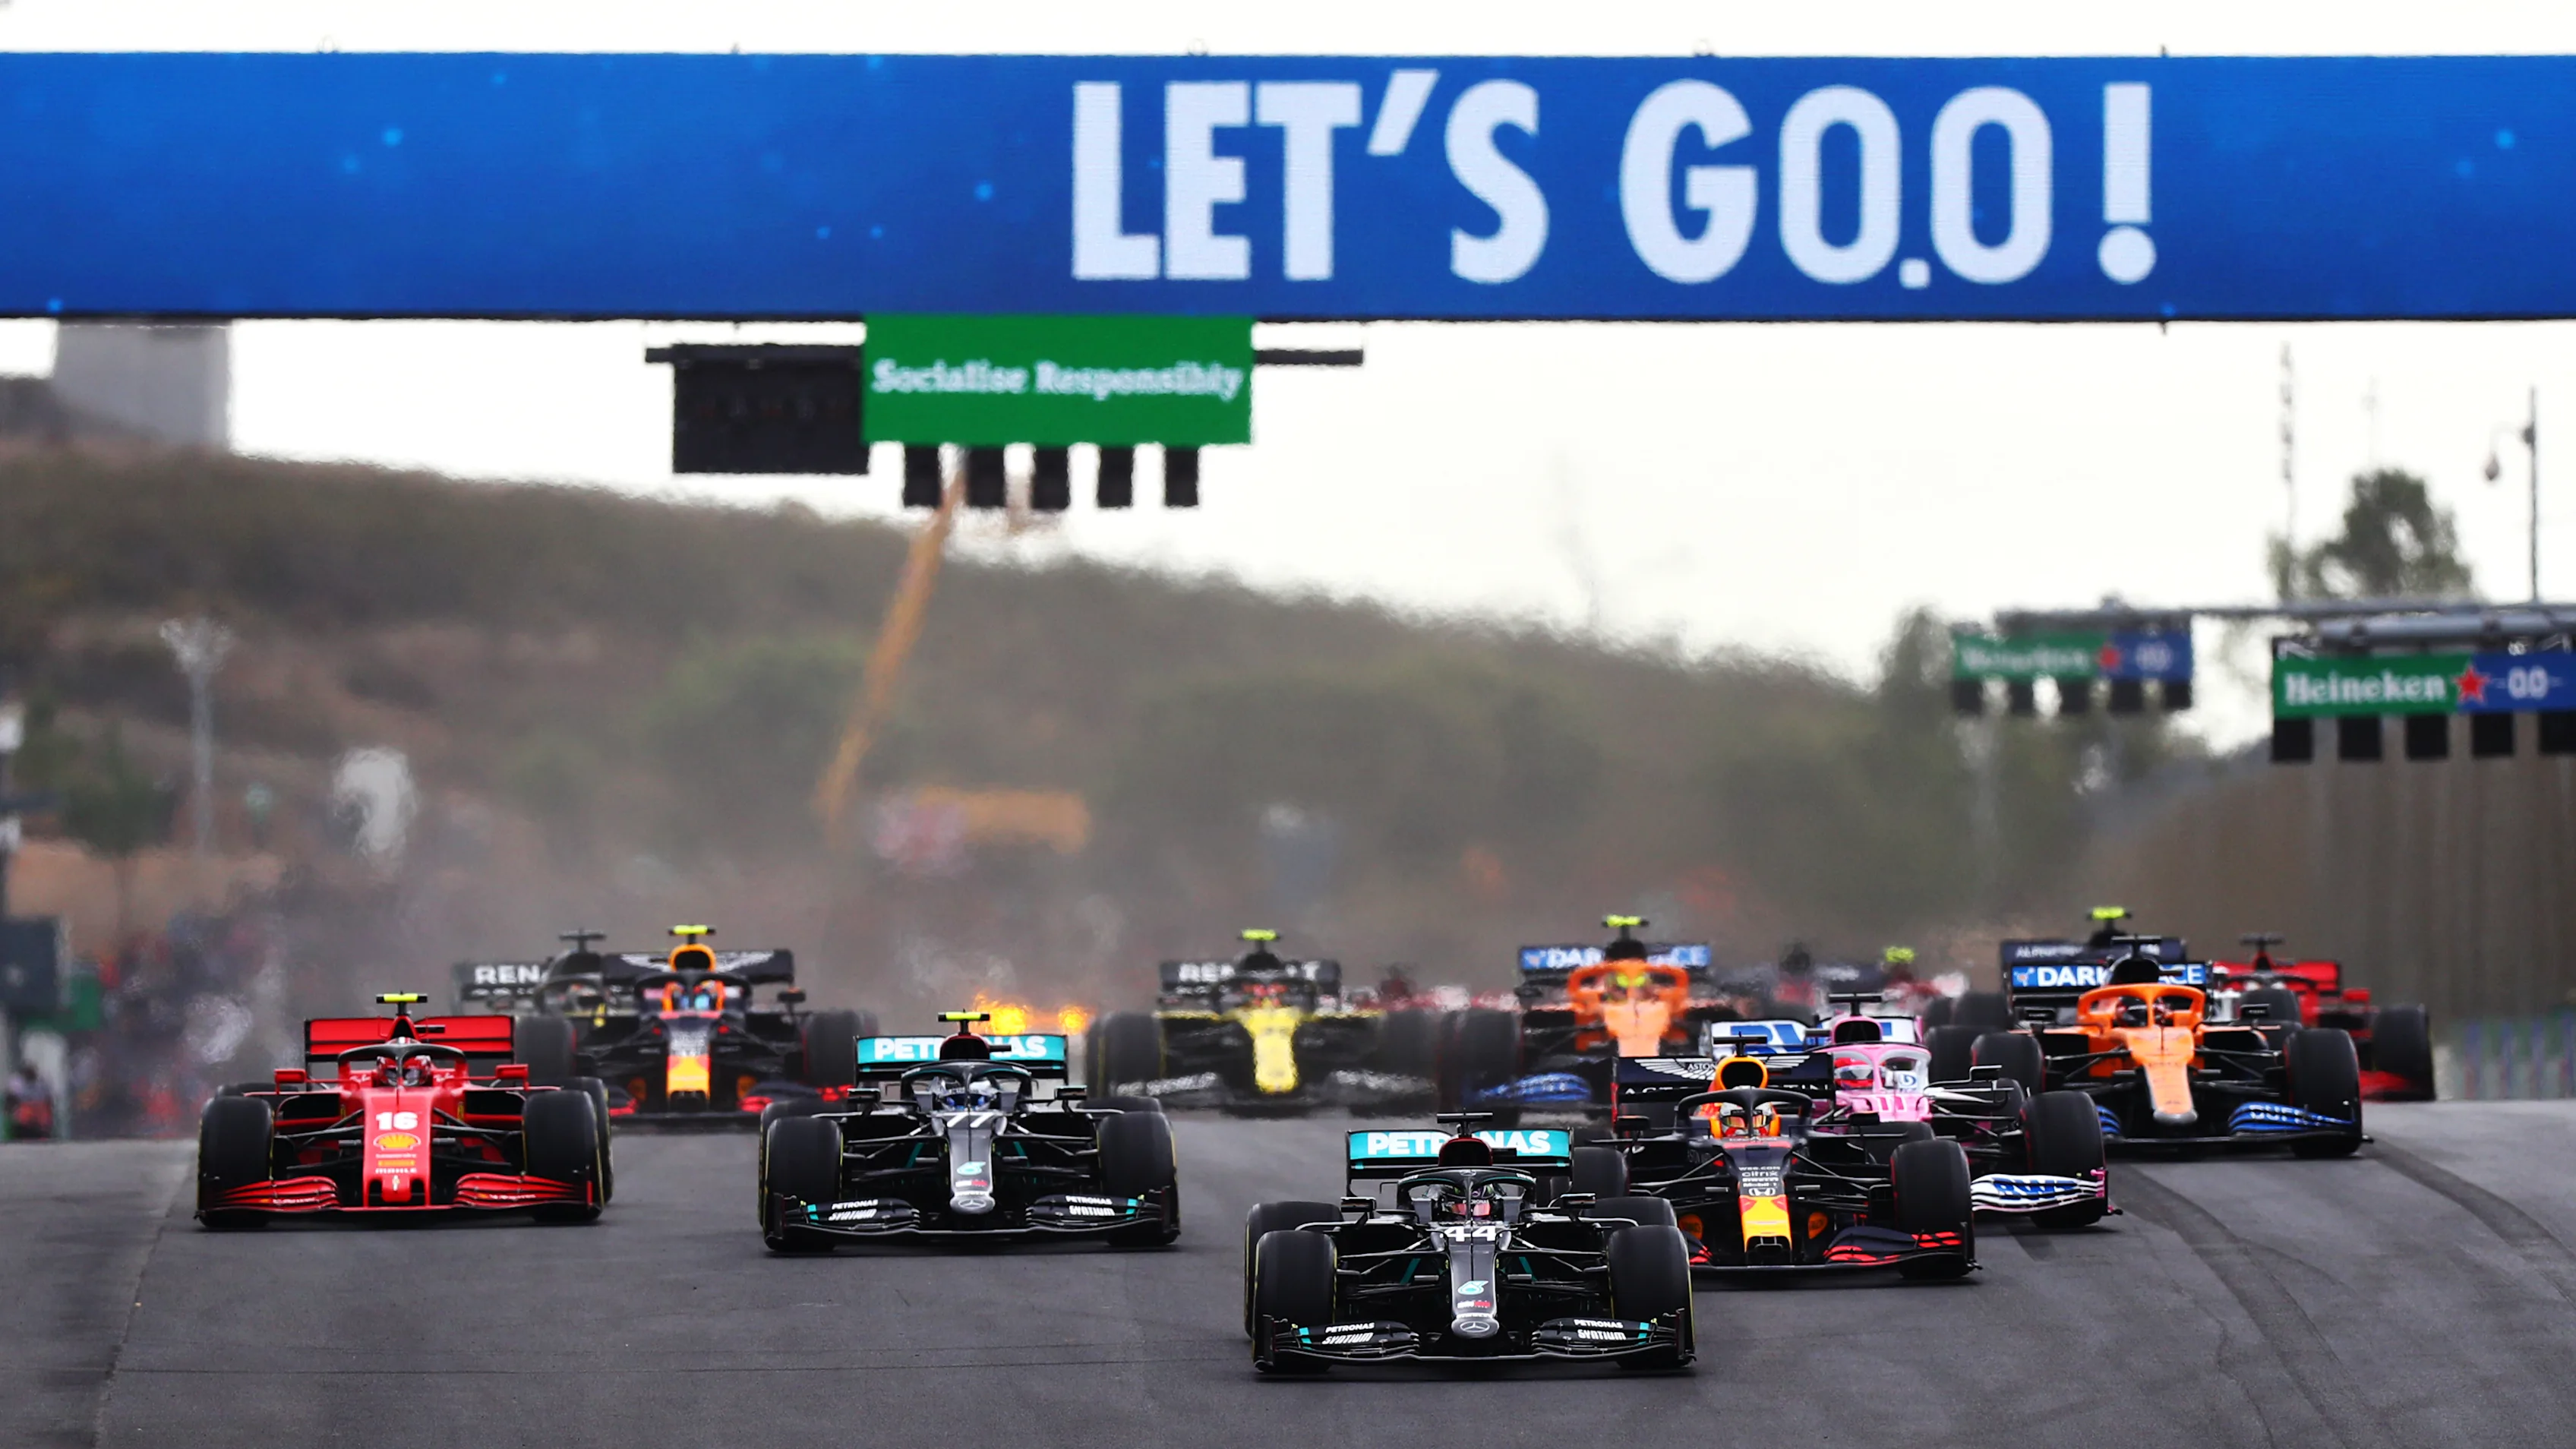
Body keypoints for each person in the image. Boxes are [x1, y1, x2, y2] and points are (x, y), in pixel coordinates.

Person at [7, 1064, 55, 1141]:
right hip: (24, 1118)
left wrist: (49, 1117)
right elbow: (11, 1099)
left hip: (39, 1117)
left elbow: (48, 1100)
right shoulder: (17, 1084)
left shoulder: (42, 1084)